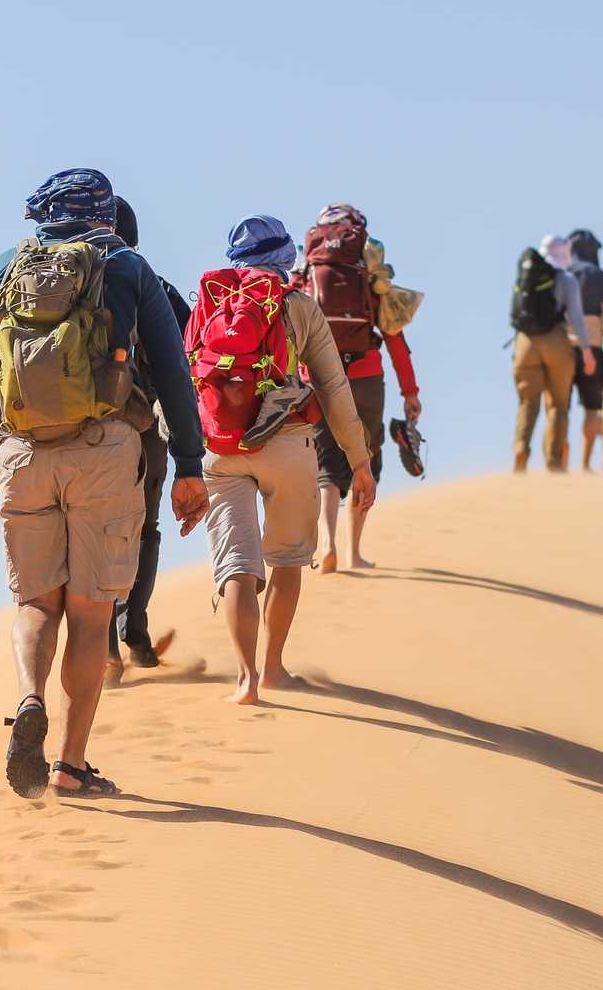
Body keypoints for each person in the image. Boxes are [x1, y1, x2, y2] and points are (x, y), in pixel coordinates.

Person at [0, 168, 210, 799]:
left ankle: (28, 698)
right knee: (92, 615)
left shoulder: (7, 264)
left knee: (36, 604)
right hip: (106, 450)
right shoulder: (127, 266)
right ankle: (70, 766)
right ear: (104, 209)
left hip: (23, 454)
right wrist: (188, 467)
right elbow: (176, 376)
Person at [195, 214, 376, 705]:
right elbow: (333, 385)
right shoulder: (298, 305)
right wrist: (359, 459)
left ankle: (245, 679)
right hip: (288, 442)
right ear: (285, 258)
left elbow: (189, 380)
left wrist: (186, 462)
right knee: (288, 561)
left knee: (236, 565)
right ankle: (273, 668)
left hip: (222, 447)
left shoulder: (209, 304)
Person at [103, 196, 194, 682]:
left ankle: (104, 649)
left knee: (92, 537)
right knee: (144, 531)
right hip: (145, 429)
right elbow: (186, 362)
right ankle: (133, 631)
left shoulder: (72, 287)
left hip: (81, 434)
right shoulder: (155, 287)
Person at [302, 204, 420, 572]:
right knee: (363, 462)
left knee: (325, 466)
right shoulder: (370, 274)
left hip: (317, 378)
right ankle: (354, 553)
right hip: (366, 376)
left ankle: (326, 547)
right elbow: (394, 336)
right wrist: (410, 391)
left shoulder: (306, 270)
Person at [511, 234, 595, 472]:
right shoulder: (566, 279)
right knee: (558, 404)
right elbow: (576, 319)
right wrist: (587, 351)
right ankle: (553, 462)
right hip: (556, 341)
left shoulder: (526, 276)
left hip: (525, 343)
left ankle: (520, 449)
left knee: (528, 402)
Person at [566, 228, 603, 471]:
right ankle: (585, 462)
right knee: (592, 407)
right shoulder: (602, 278)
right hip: (593, 346)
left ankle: (557, 460)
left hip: (562, 348)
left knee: (558, 407)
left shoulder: (563, 274)